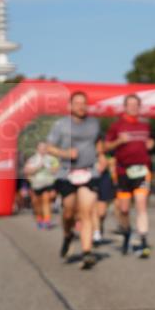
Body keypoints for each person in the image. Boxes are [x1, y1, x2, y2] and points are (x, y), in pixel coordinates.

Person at [47, 91, 104, 270]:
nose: (81, 106)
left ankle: (87, 252)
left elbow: (99, 143)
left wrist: (102, 157)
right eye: (77, 103)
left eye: (83, 103)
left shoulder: (94, 123)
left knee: (86, 213)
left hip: (89, 172)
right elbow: (49, 147)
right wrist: (65, 154)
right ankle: (67, 235)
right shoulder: (61, 125)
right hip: (67, 173)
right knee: (69, 213)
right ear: (70, 106)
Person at [105, 94, 155, 257]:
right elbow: (106, 146)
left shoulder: (145, 126)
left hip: (142, 170)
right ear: (125, 107)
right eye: (130, 105)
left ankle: (143, 241)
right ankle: (126, 231)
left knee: (141, 205)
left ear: (139, 107)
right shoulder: (117, 126)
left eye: (136, 105)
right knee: (124, 209)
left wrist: (151, 144)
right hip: (123, 172)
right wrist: (118, 142)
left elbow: (151, 141)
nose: (133, 107)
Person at [24, 142, 60, 229]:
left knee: (46, 200)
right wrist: (38, 167)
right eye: (40, 148)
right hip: (36, 184)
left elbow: (56, 170)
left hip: (48, 183)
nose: (42, 150)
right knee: (37, 203)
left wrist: (49, 167)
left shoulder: (52, 159)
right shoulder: (32, 159)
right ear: (37, 149)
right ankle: (39, 219)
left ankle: (47, 221)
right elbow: (27, 171)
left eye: (44, 148)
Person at [92, 153, 116, 244]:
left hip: (103, 179)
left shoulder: (105, 144)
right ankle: (95, 232)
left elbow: (113, 160)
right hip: (89, 177)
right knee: (92, 207)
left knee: (101, 213)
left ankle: (99, 226)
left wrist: (108, 162)